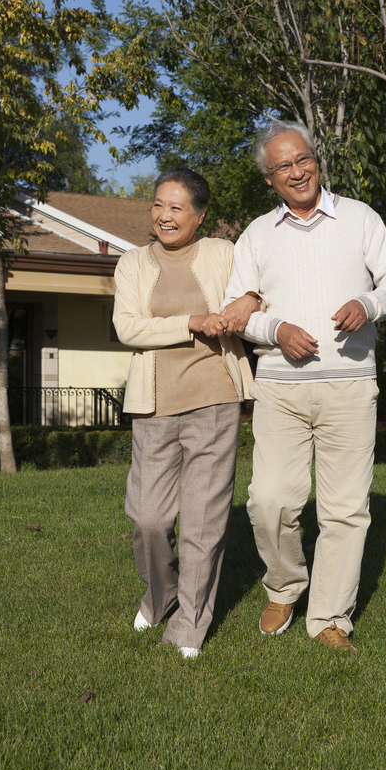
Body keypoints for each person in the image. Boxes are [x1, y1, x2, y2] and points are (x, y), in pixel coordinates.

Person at [221, 120, 386, 651]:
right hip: (280, 388)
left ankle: (330, 618)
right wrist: (277, 330)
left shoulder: (359, 218)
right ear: (269, 179)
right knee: (269, 501)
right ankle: (283, 587)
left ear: (316, 161)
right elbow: (236, 311)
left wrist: (369, 303)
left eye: (303, 159)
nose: (297, 171)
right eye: (283, 165)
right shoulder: (257, 234)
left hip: (350, 386)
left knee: (345, 508)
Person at [112, 167, 258, 659]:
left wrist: (245, 302)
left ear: (199, 215)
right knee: (148, 518)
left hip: (215, 397)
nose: (164, 216)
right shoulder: (132, 263)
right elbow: (128, 328)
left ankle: (189, 628)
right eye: (158, 205)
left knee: (202, 523)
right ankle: (160, 596)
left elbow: (257, 289)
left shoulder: (222, 252)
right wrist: (192, 321)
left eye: (176, 207)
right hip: (154, 404)